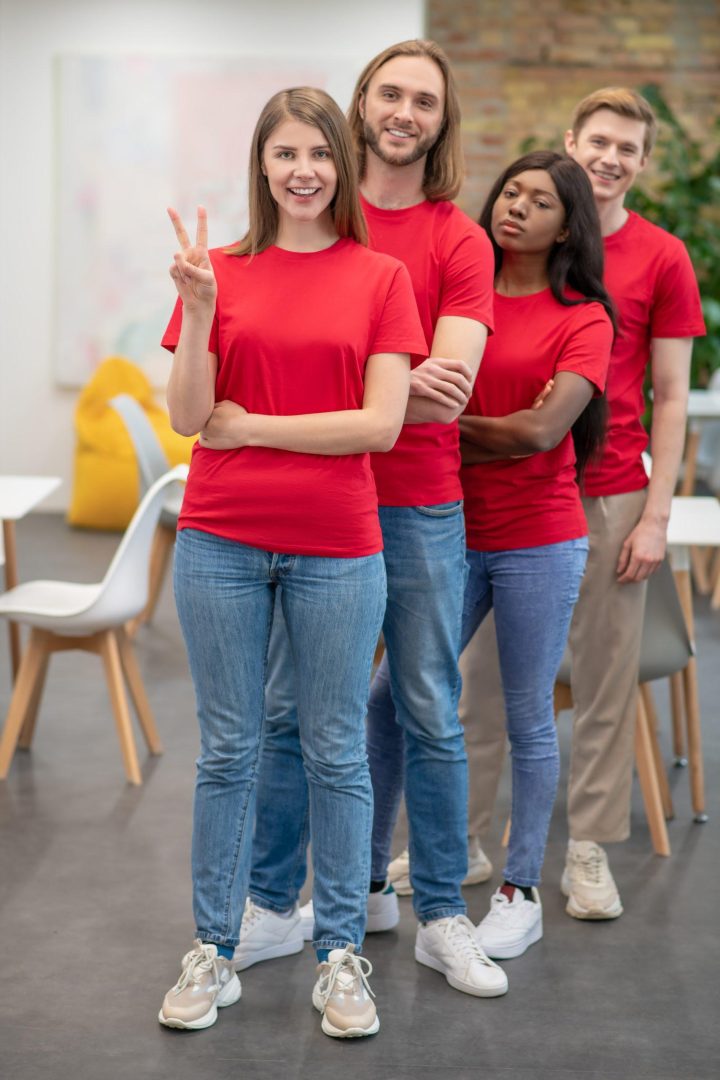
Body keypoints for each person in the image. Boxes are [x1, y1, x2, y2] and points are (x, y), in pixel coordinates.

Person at [230, 40, 503, 998]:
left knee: (429, 706)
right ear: (361, 105)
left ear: (440, 120)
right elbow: (376, 383)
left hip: (419, 502)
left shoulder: (457, 240)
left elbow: (446, 393)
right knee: (284, 711)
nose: (404, 111)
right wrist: (386, 378)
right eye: (389, 93)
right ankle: (270, 907)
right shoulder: (305, 224)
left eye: (423, 99)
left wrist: (355, 383)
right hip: (306, 508)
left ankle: (438, 915)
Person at [157, 86, 426, 1038]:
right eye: (285, 155)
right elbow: (191, 418)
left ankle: (341, 956)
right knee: (228, 751)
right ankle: (214, 949)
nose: (304, 170)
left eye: (319, 154)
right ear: (261, 167)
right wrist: (197, 312)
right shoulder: (217, 269)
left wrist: (255, 427)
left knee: (336, 752)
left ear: (341, 167)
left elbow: (383, 423)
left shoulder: (379, 276)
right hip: (221, 538)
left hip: (339, 547)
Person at [458, 88, 706, 921]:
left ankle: (590, 848)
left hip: (609, 495)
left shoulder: (664, 257)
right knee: (481, 683)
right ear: (572, 142)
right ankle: (463, 837)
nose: (611, 158)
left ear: (642, 163)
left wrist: (658, 513)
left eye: (628, 149)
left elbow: (671, 396)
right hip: (499, 496)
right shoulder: (502, 249)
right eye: (598, 141)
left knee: (605, 683)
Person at [372, 150, 614, 962]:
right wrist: (461, 424)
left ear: (567, 224)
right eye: (510, 191)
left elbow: (541, 434)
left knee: (526, 717)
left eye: (540, 201)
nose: (516, 208)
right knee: (388, 701)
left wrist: (429, 421)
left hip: (540, 537)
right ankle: (369, 878)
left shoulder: (583, 317)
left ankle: (519, 890)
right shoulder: (459, 292)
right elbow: (454, 408)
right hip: (449, 528)